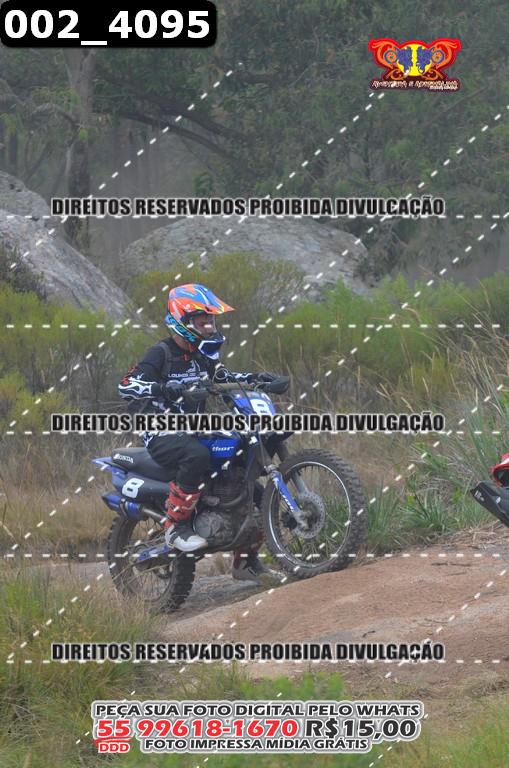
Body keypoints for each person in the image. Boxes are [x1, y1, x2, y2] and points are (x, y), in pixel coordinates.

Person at [118, 283, 280, 583]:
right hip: (160, 432)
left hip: (193, 429)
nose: (209, 326)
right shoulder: (161, 353)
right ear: (182, 320)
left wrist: (258, 379)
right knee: (197, 455)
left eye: (210, 320)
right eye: (202, 320)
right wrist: (163, 388)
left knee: (247, 480)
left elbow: (225, 377)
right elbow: (126, 385)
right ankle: (175, 526)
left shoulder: (201, 355)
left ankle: (246, 562)